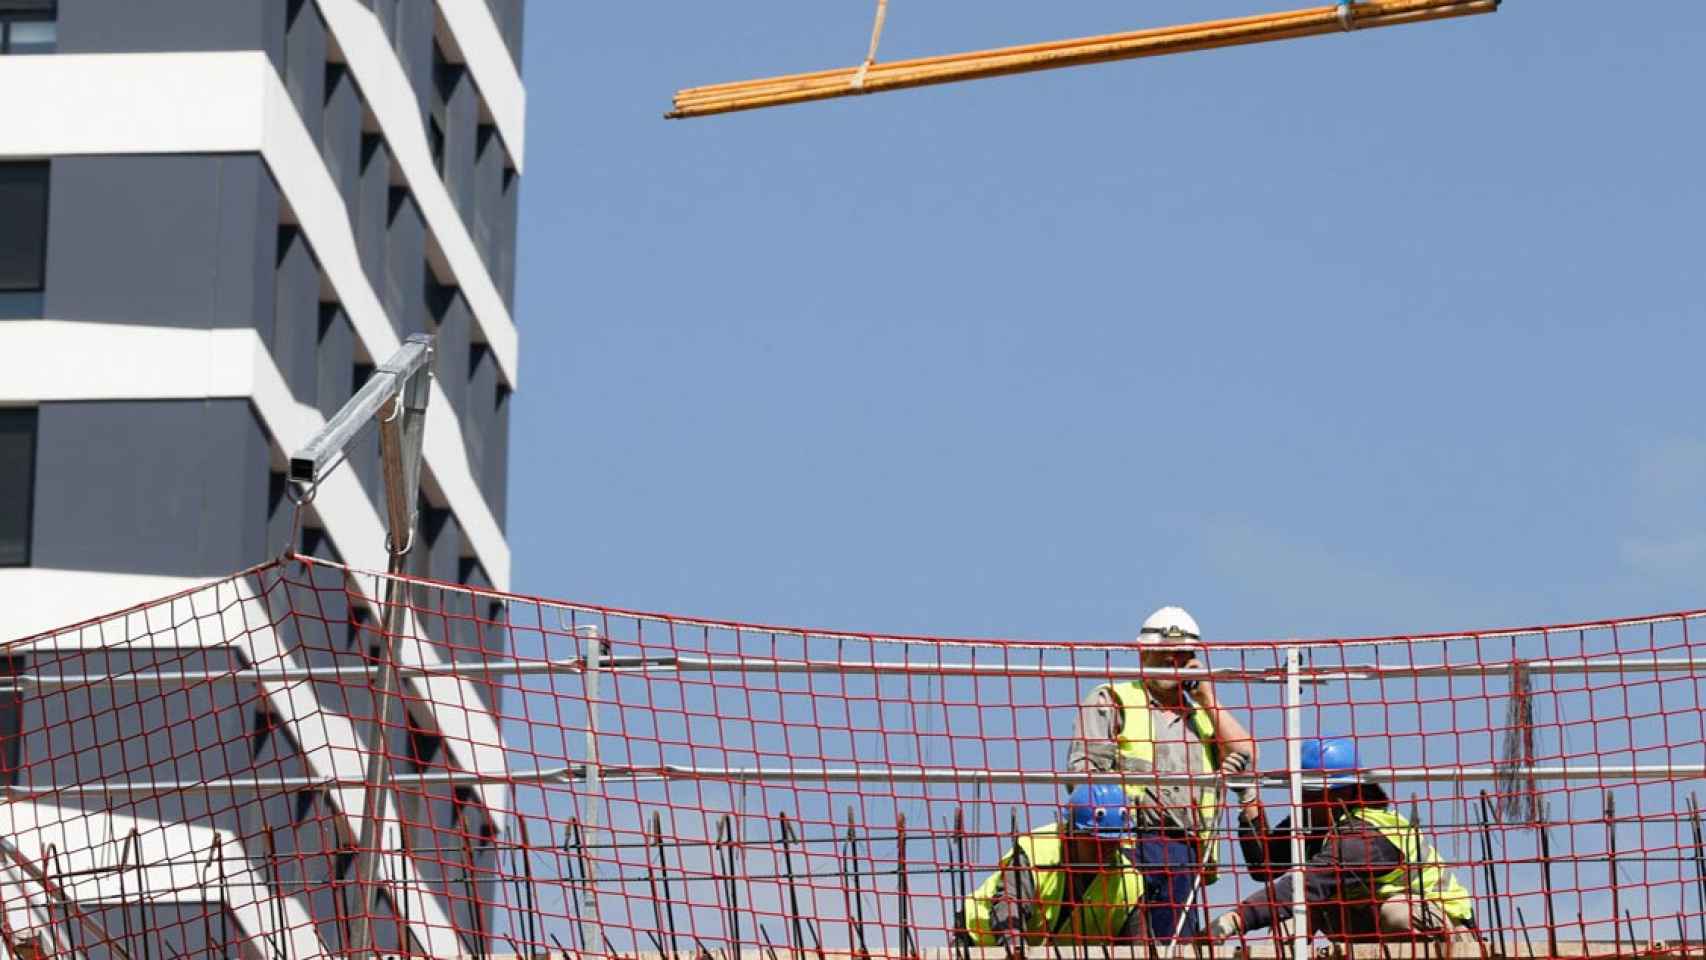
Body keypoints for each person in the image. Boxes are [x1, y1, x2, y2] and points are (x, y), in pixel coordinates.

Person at [1065, 605, 1257, 941]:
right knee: (1130, 943)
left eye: (1182, 656)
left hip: (1183, 851)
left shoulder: (1201, 715)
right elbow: (1083, 776)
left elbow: (1245, 754)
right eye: (1165, 654)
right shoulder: (1114, 699)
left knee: (1176, 945)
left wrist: (1208, 697)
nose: (1174, 662)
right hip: (1125, 845)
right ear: (1144, 653)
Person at [1206, 737, 1483, 957]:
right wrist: (1248, 796)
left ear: (1345, 793)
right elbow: (1264, 866)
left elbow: (1307, 884)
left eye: (1313, 793)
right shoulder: (1316, 820)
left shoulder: (1366, 835)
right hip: (1374, 928)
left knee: (1394, 912)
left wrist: (1234, 920)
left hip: (1445, 935)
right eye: (1303, 792)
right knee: (1292, 921)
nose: (1303, 801)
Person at [961, 784, 1147, 951]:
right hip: (979, 942)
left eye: (1113, 841)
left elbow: (1139, 946)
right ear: (1073, 831)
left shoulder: (1128, 881)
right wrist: (1015, 948)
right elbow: (1009, 905)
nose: (1105, 849)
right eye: (1095, 841)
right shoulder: (1037, 850)